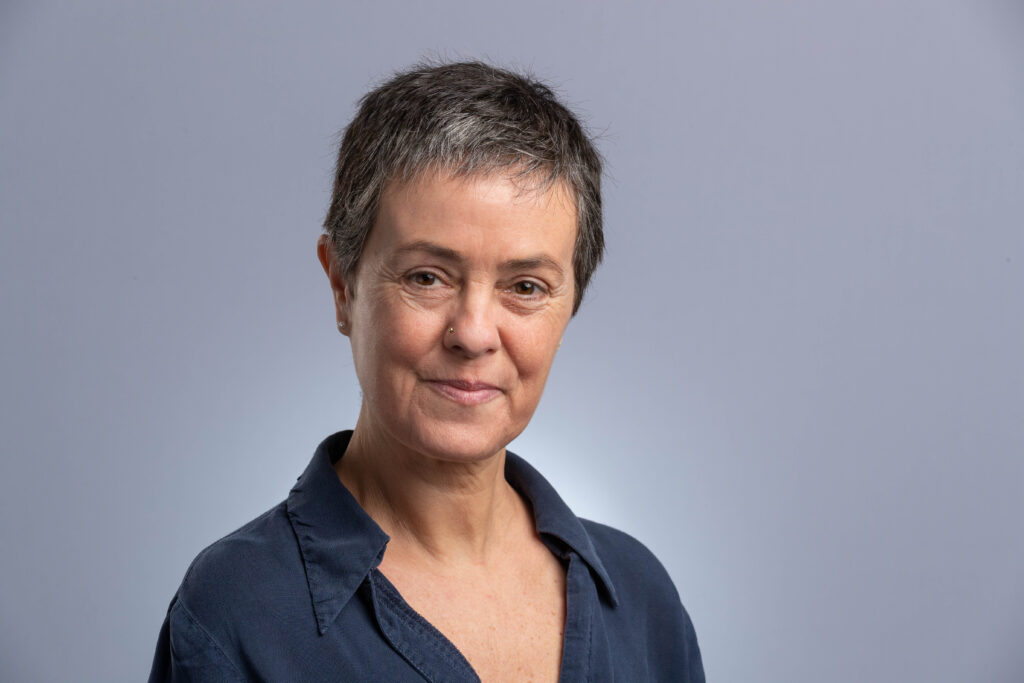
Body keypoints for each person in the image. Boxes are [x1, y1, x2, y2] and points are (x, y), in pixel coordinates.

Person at [149, 60, 704, 682]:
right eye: (426, 277)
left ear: (570, 304)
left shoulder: (641, 599)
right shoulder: (238, 612)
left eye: (525, 286)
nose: (472, 333)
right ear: (342, 286)